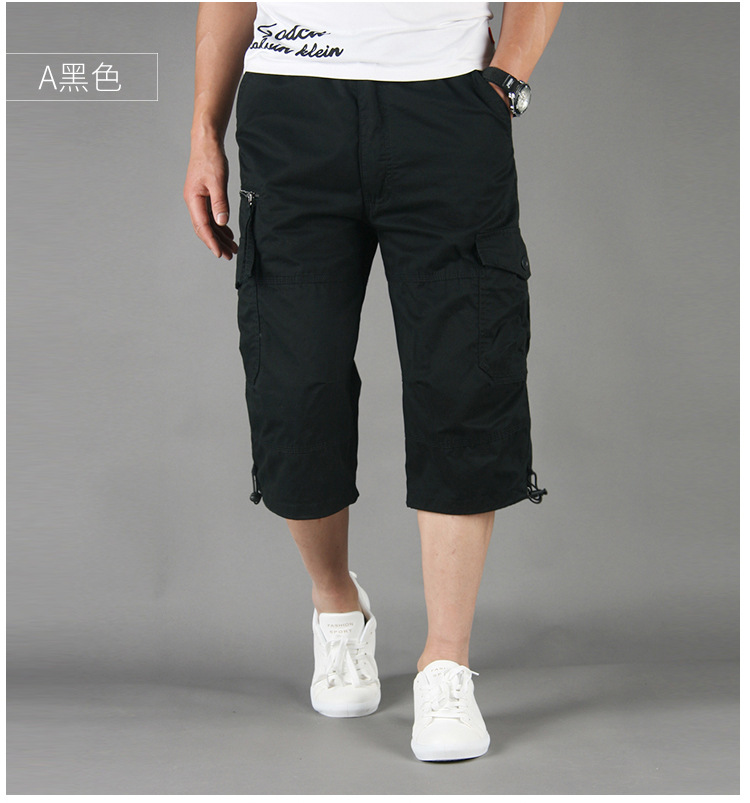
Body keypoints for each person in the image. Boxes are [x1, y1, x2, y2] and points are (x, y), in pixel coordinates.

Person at [184, 1, 562, 762]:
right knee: (294, 387)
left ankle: (446, 662)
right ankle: (337, 605)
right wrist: (204, 130)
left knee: (463, 380)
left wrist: (508, 79)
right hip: (292, 110)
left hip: (446, 105)